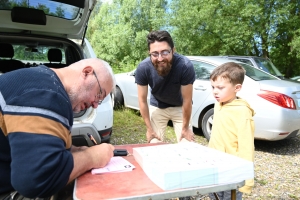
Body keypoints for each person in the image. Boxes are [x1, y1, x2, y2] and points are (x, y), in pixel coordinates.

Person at [0, 58, 115, 199]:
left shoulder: (42, 81)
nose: (95, 105)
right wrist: (91, 158)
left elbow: (37, 143)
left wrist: (76, 150)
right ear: (87, 72)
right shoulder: (47, 95)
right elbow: (36, 180)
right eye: (99, 94)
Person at [135, 30, 196, 144]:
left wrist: (185, 128)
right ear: (149, 52)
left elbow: (187, 100)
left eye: (164, 52)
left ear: (173, 50)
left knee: (187, 144)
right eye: (155, 54)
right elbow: (142, 101)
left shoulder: (185, 66)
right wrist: (149, 129)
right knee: (154, 144)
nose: (160, 58)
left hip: (180, 106)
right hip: (158, 106)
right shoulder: (143, 68)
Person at [208, 62, 255, 200]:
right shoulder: (218, 104)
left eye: (220, 87)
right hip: (214, 166)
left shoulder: (242, 112)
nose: (215, 91)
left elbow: (246, 147)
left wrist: (246, 180)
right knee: (214, 195)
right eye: (213, 87)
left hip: (232, 171)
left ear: (237, 87)